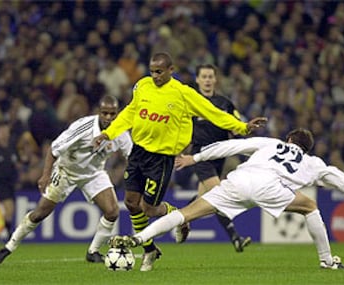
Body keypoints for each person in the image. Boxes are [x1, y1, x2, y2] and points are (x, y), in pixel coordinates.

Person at [109, 128, 344, 269]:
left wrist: (195, 156)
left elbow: (233, 145)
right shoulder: (313, 162)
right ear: (306, 149)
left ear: (288, 138)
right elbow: (339, 178)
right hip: (270, 186)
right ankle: (326, 261)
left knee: (187, 212)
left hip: (239, 180)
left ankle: (139, 237)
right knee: (310, 206)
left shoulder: (271, 143)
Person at [92, 52, 267, 271]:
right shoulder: (142, 86)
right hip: (138, 153)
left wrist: (242, 127)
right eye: (152, 71)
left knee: (149, 208)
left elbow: (213, 112)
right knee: (130, 202)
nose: (154, 75)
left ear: (170, 70)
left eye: (159, 71)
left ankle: (180, 217)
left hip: (161, 158)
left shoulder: (184, 93)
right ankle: (149, 250)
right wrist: (108, 133)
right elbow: (129, 113)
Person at [0, 95, 133, 264]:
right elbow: (53, 149)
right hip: (66, 170)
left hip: (94, 174)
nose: (108, 118)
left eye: (112, 114)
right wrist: (45, 175)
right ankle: (9, 246)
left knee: (112, 211)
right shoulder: (83, 127)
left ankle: (93, 252)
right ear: (98, 112)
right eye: (105, 113)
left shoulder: (121, 133)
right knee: (40, 213)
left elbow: (132, 157)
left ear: (117, 114)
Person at [189, 63, 251, 252]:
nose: (207, 80)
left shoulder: (225, 104)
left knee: (202, 199)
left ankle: (178, 220)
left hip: (220, 156)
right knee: (219, 195)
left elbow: (237, 127)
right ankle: (235, 238)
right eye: (204, 77)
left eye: (210, 76)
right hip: (200, 155)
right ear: (197, 80)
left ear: (215, 80)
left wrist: (238, 129)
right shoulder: (191, 103)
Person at [0, 123, 19, 243]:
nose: (4, 134)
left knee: (9, 211)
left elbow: (16, 165)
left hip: (11, 184)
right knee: (9, 207)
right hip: (0, 183)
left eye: (6, 131)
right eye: (1, 131)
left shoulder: (12, 149)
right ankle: (9, 235)